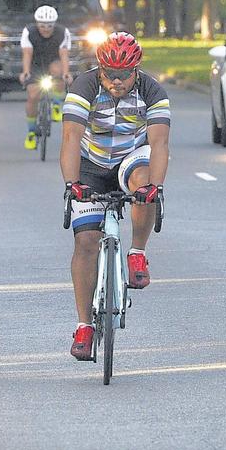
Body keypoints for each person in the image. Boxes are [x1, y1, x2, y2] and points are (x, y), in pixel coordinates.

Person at [60, 33, 170, 360]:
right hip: (91, 162)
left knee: (144, 183)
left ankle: (137, 252)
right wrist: (71, 183)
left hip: (130, 158)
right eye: (109, 74)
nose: (116, 81)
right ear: (100, 68)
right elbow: (70, 138)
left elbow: (160, 145)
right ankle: (84, 326)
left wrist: (156, 187)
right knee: (86, 242)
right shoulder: (84, 87)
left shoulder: (153, 91)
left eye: (124, 75)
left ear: (136, 70)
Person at [19, 5, 73, 149]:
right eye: (42, 25)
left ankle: (56, 104)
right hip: (35, 64)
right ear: (37, 24)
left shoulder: (62, 32)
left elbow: (64, 54)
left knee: (59, 71)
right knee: (32, 95)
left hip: (53, 61)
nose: (46, 29)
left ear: (54, 24)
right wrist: (25, 72)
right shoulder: (29, 32)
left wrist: (66, 73)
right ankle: (31, 132)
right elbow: (27, 54)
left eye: (49, 26)